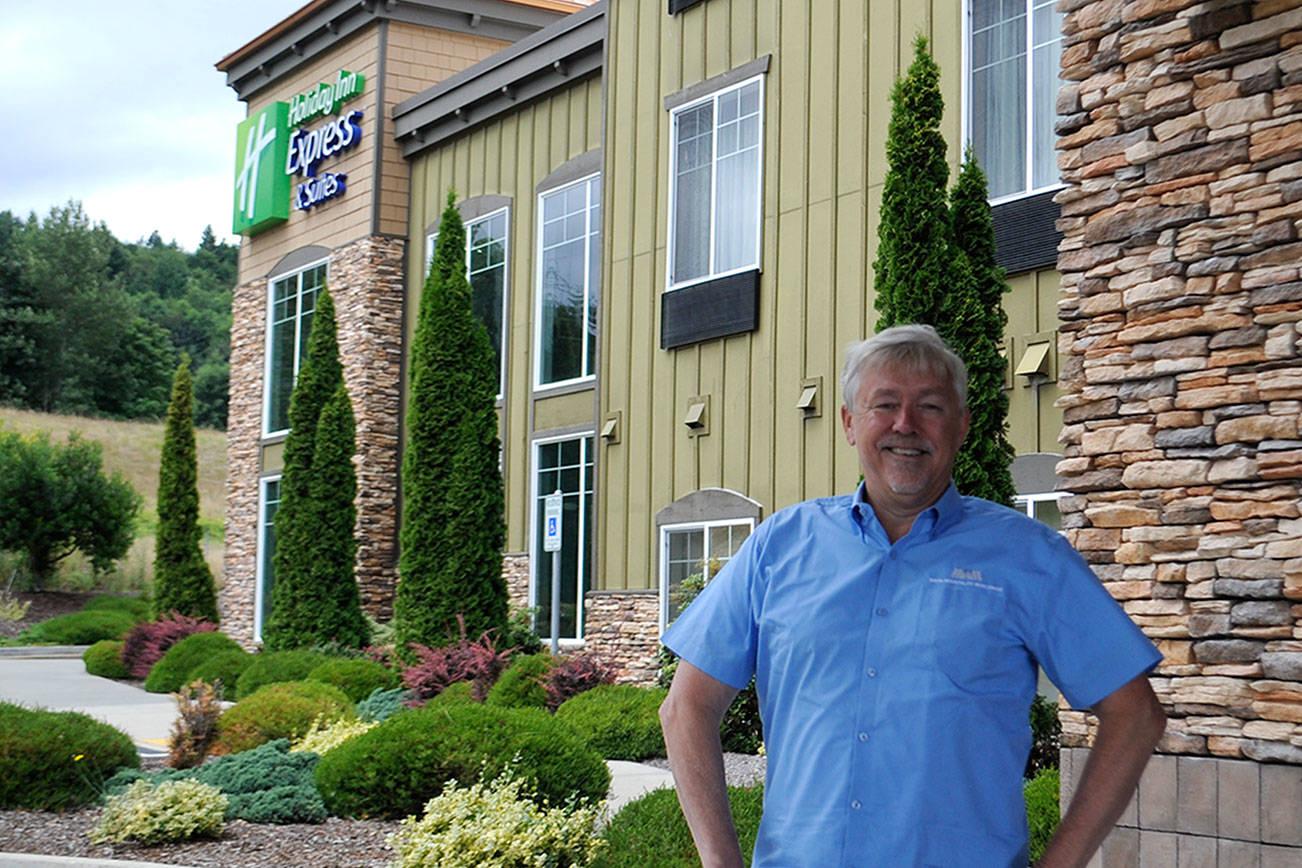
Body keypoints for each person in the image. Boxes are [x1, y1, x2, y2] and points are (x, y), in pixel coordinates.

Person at [659, 324, 1165, 868]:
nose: (906, 424)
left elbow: (1135, 715)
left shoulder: (1029, 558)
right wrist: (720, 861)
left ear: (962, 425)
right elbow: (686, 706)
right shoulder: (779, 548)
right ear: (851, 423)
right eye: (884, 405)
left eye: (930, 406)